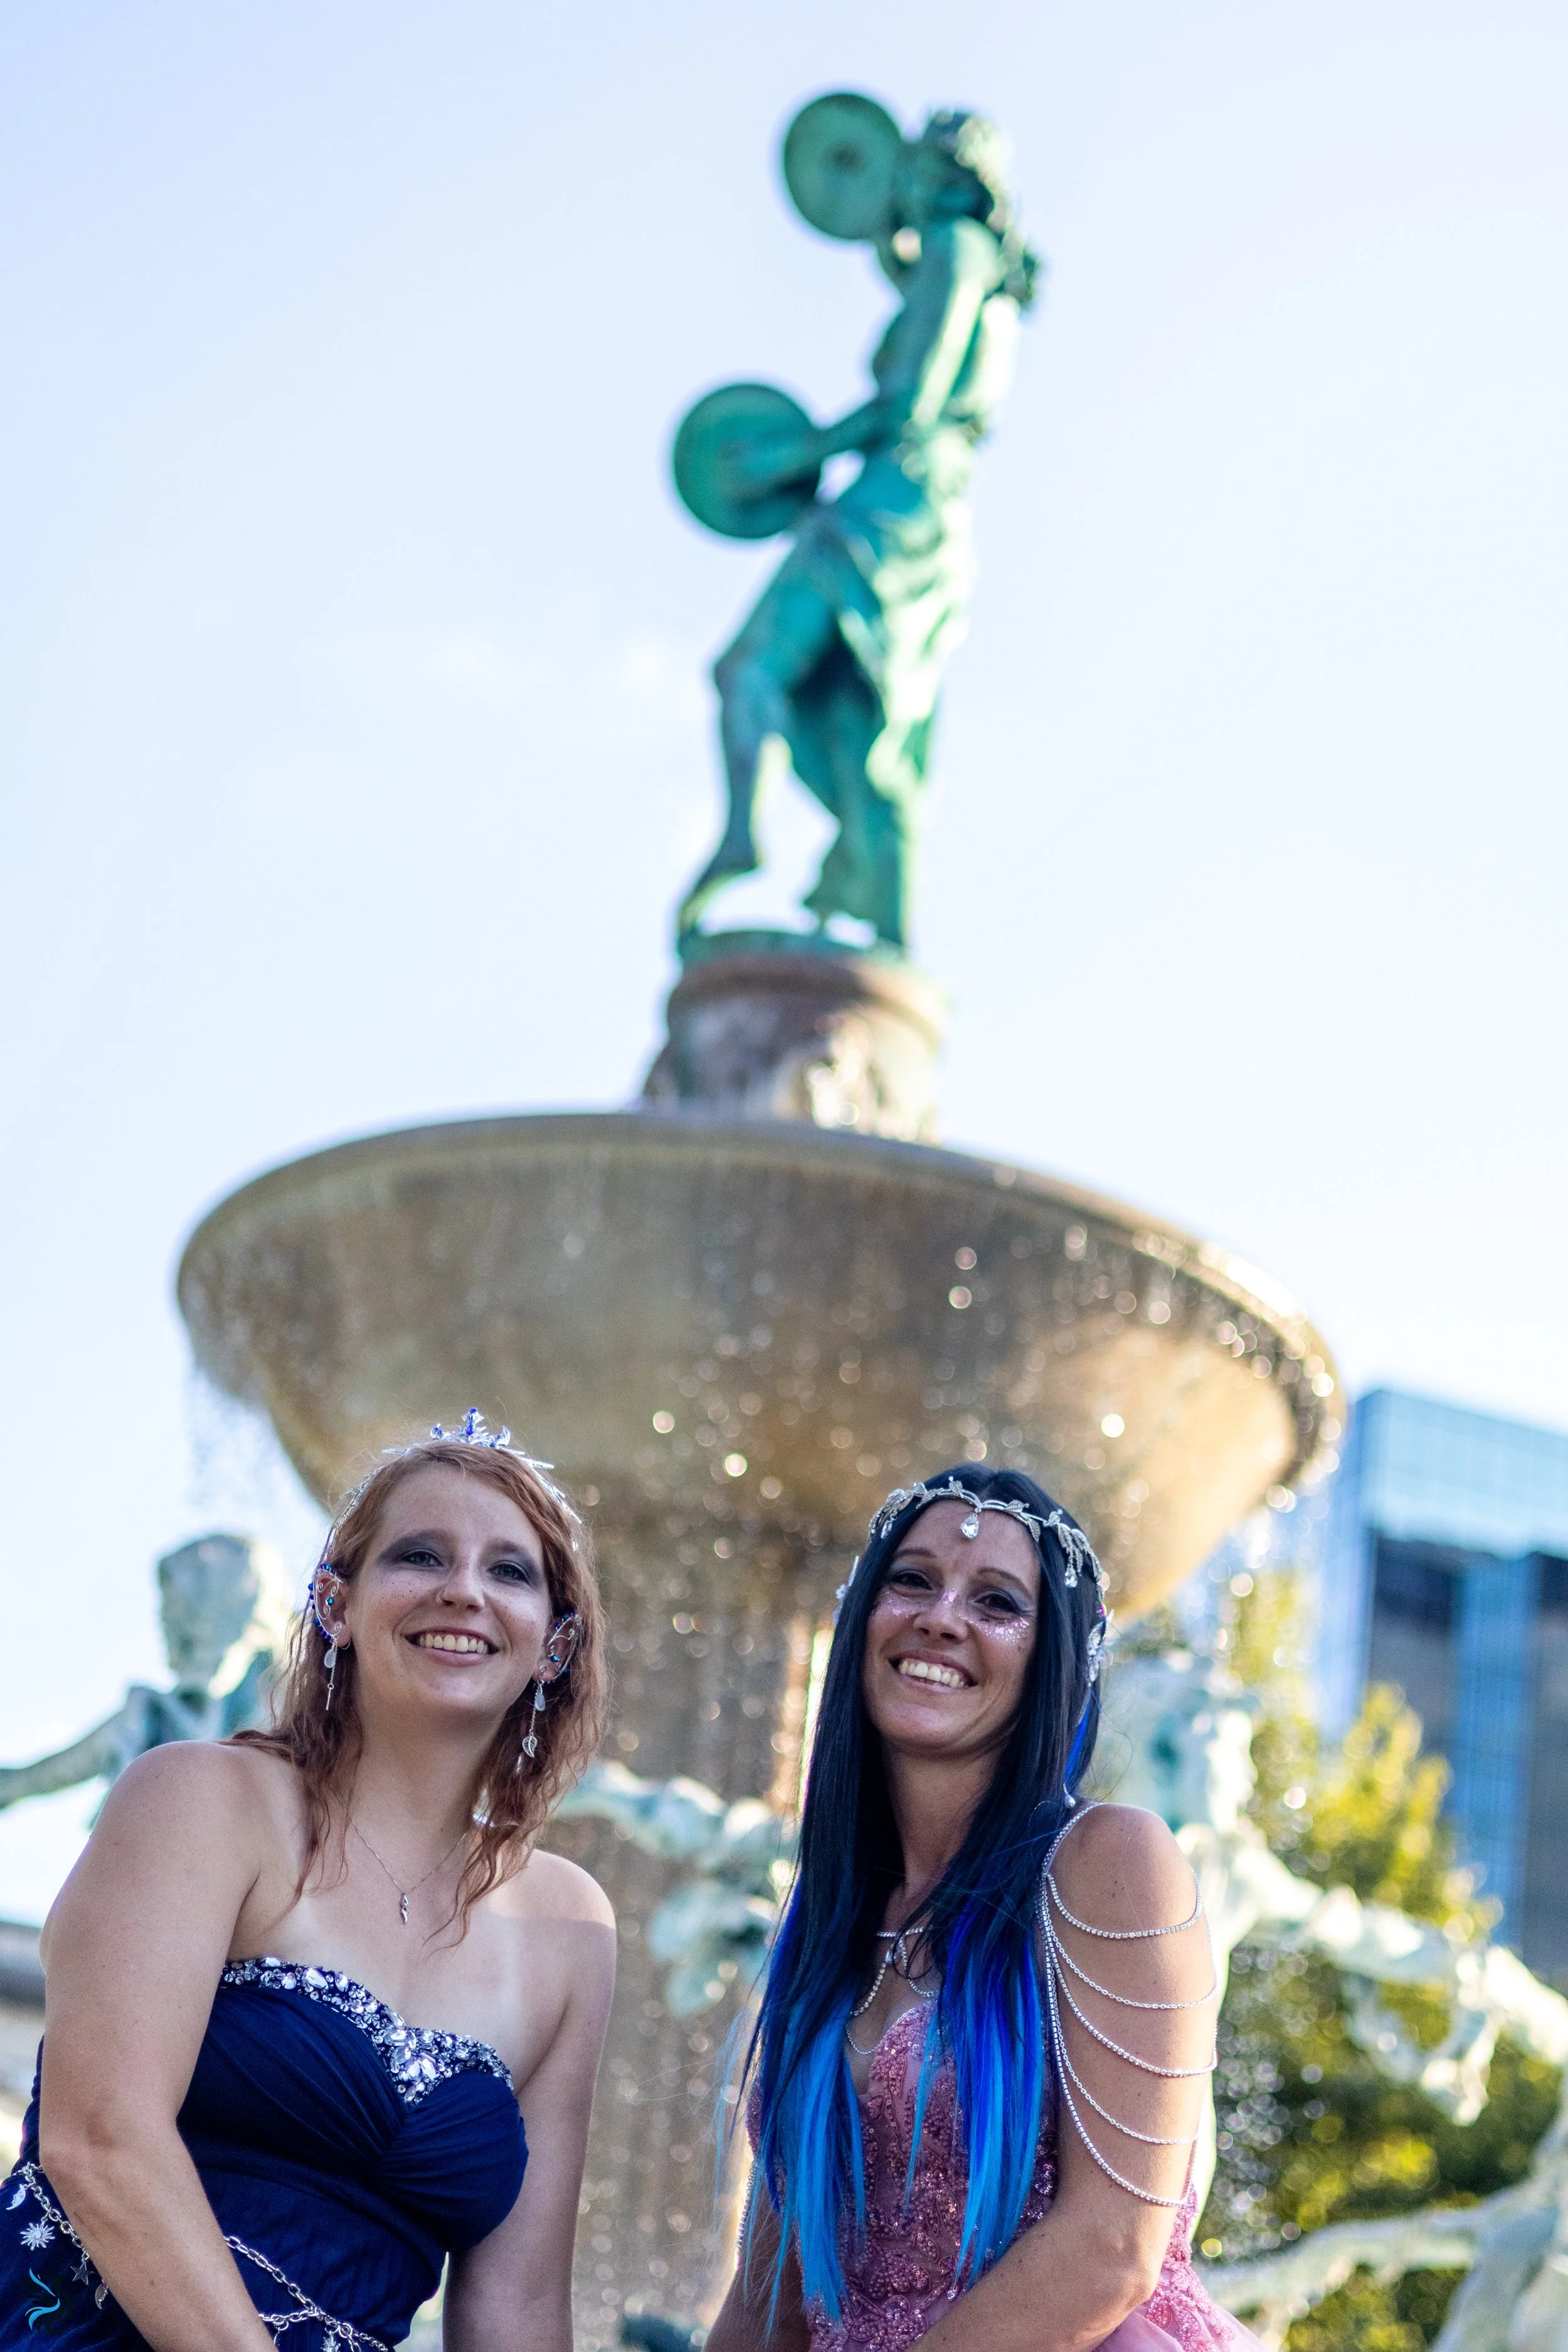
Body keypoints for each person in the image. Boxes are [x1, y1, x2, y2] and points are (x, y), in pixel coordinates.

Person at [0, 1412, 614, 2351]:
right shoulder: (199, 1799)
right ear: (335, 1603)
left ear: (555, 1646)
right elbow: (100, 2142)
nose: (463, 1590)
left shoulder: (569, 1928)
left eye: (509, 1571)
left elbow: (518, 2310)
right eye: (420, 1555)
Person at [705, 1466, 1266, 2352]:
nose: (942, 1617)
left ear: (1053, 1662)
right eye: (913, 1580)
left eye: (997, 1601)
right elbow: (770, 2292)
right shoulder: (833, 1912)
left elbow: (1111, 2250)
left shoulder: (1109, 1860)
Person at [677, 112, 1036, 954]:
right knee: (864, 716)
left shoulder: (956, 252)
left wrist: (790, 455)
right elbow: (916, 296)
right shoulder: (972, 269)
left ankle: (743, 835)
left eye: (920, 172)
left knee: (753, 668)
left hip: (892, 501)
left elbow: (909, 401)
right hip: (928, 507)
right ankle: (890, 935)